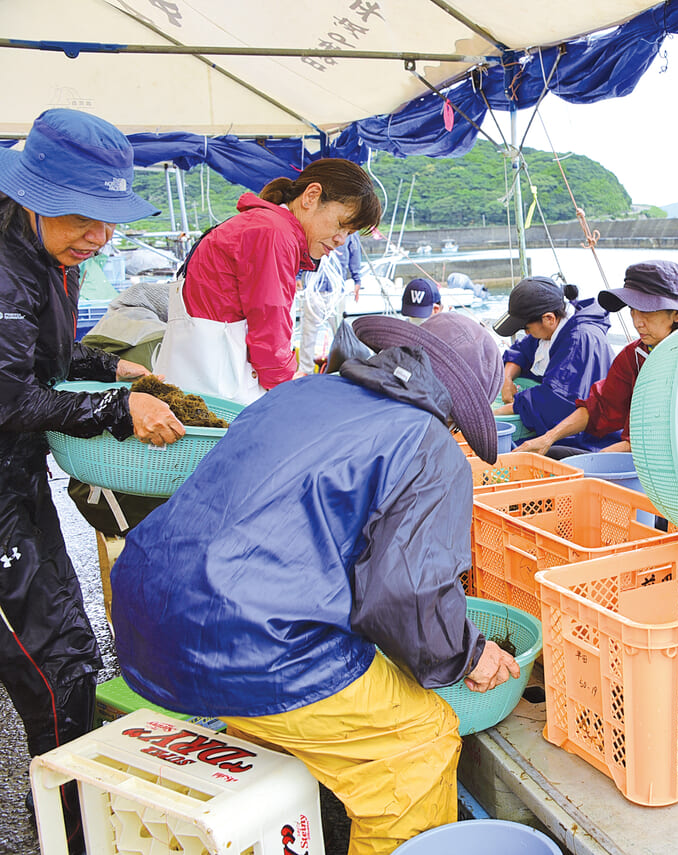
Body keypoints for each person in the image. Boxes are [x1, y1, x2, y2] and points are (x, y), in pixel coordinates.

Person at [111, 312, 520, 855]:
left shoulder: (303, 391)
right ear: (456, 408)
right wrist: (470, 656)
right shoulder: (428, 442)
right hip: (254, 643)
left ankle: (262, 770)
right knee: (419, 742)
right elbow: (404, 594)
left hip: (146, 611)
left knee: (277, 724)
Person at [0, 108, 184, 840]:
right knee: (51, 655)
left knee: (71, 642)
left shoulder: (47, 253)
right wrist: (118, 405)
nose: (101, 237)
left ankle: (74, 808)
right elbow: (11, 395)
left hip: (16, 477)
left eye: (110, 220)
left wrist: (105, 364)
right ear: (35, 194)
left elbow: (38, 360)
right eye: (86, 217)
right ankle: (66, 822)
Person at [155, 158, 381, 404]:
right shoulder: (274, 233)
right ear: (311, 196)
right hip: (217, 393)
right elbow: (269, 330)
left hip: (194, 376)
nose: (341, 240)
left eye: (349, 233)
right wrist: (289, 387)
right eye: (341, 225)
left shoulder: (262, 223)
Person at [515, 261, 678, 458]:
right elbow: (600, 407)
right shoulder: (633, 356)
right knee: (553, 453)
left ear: (677, 314)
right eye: (632, 310)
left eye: (647, 312)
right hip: (641, 456)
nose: (637, 322)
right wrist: (549, 437)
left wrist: (599, 459)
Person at [492, 276, 615, 453]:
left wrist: (497, 413)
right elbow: (521, 350)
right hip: (563, 427)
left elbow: (556, 401)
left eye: (526, 328)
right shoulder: (555, 328)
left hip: (591, 438)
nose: (526, 333)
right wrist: (506, 378)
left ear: (549, 318)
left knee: (505, 451)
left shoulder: (578, 339)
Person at [296, 232, 363, 369]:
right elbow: (303, 249)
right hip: (314, 288)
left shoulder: (350, 231)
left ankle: (343, 367)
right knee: (309, 331)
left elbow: (355, 253)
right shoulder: (318, 225)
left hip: (337, 290)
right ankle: (305, 370)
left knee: (340, 331)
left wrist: (357, 279)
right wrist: (298, 276)